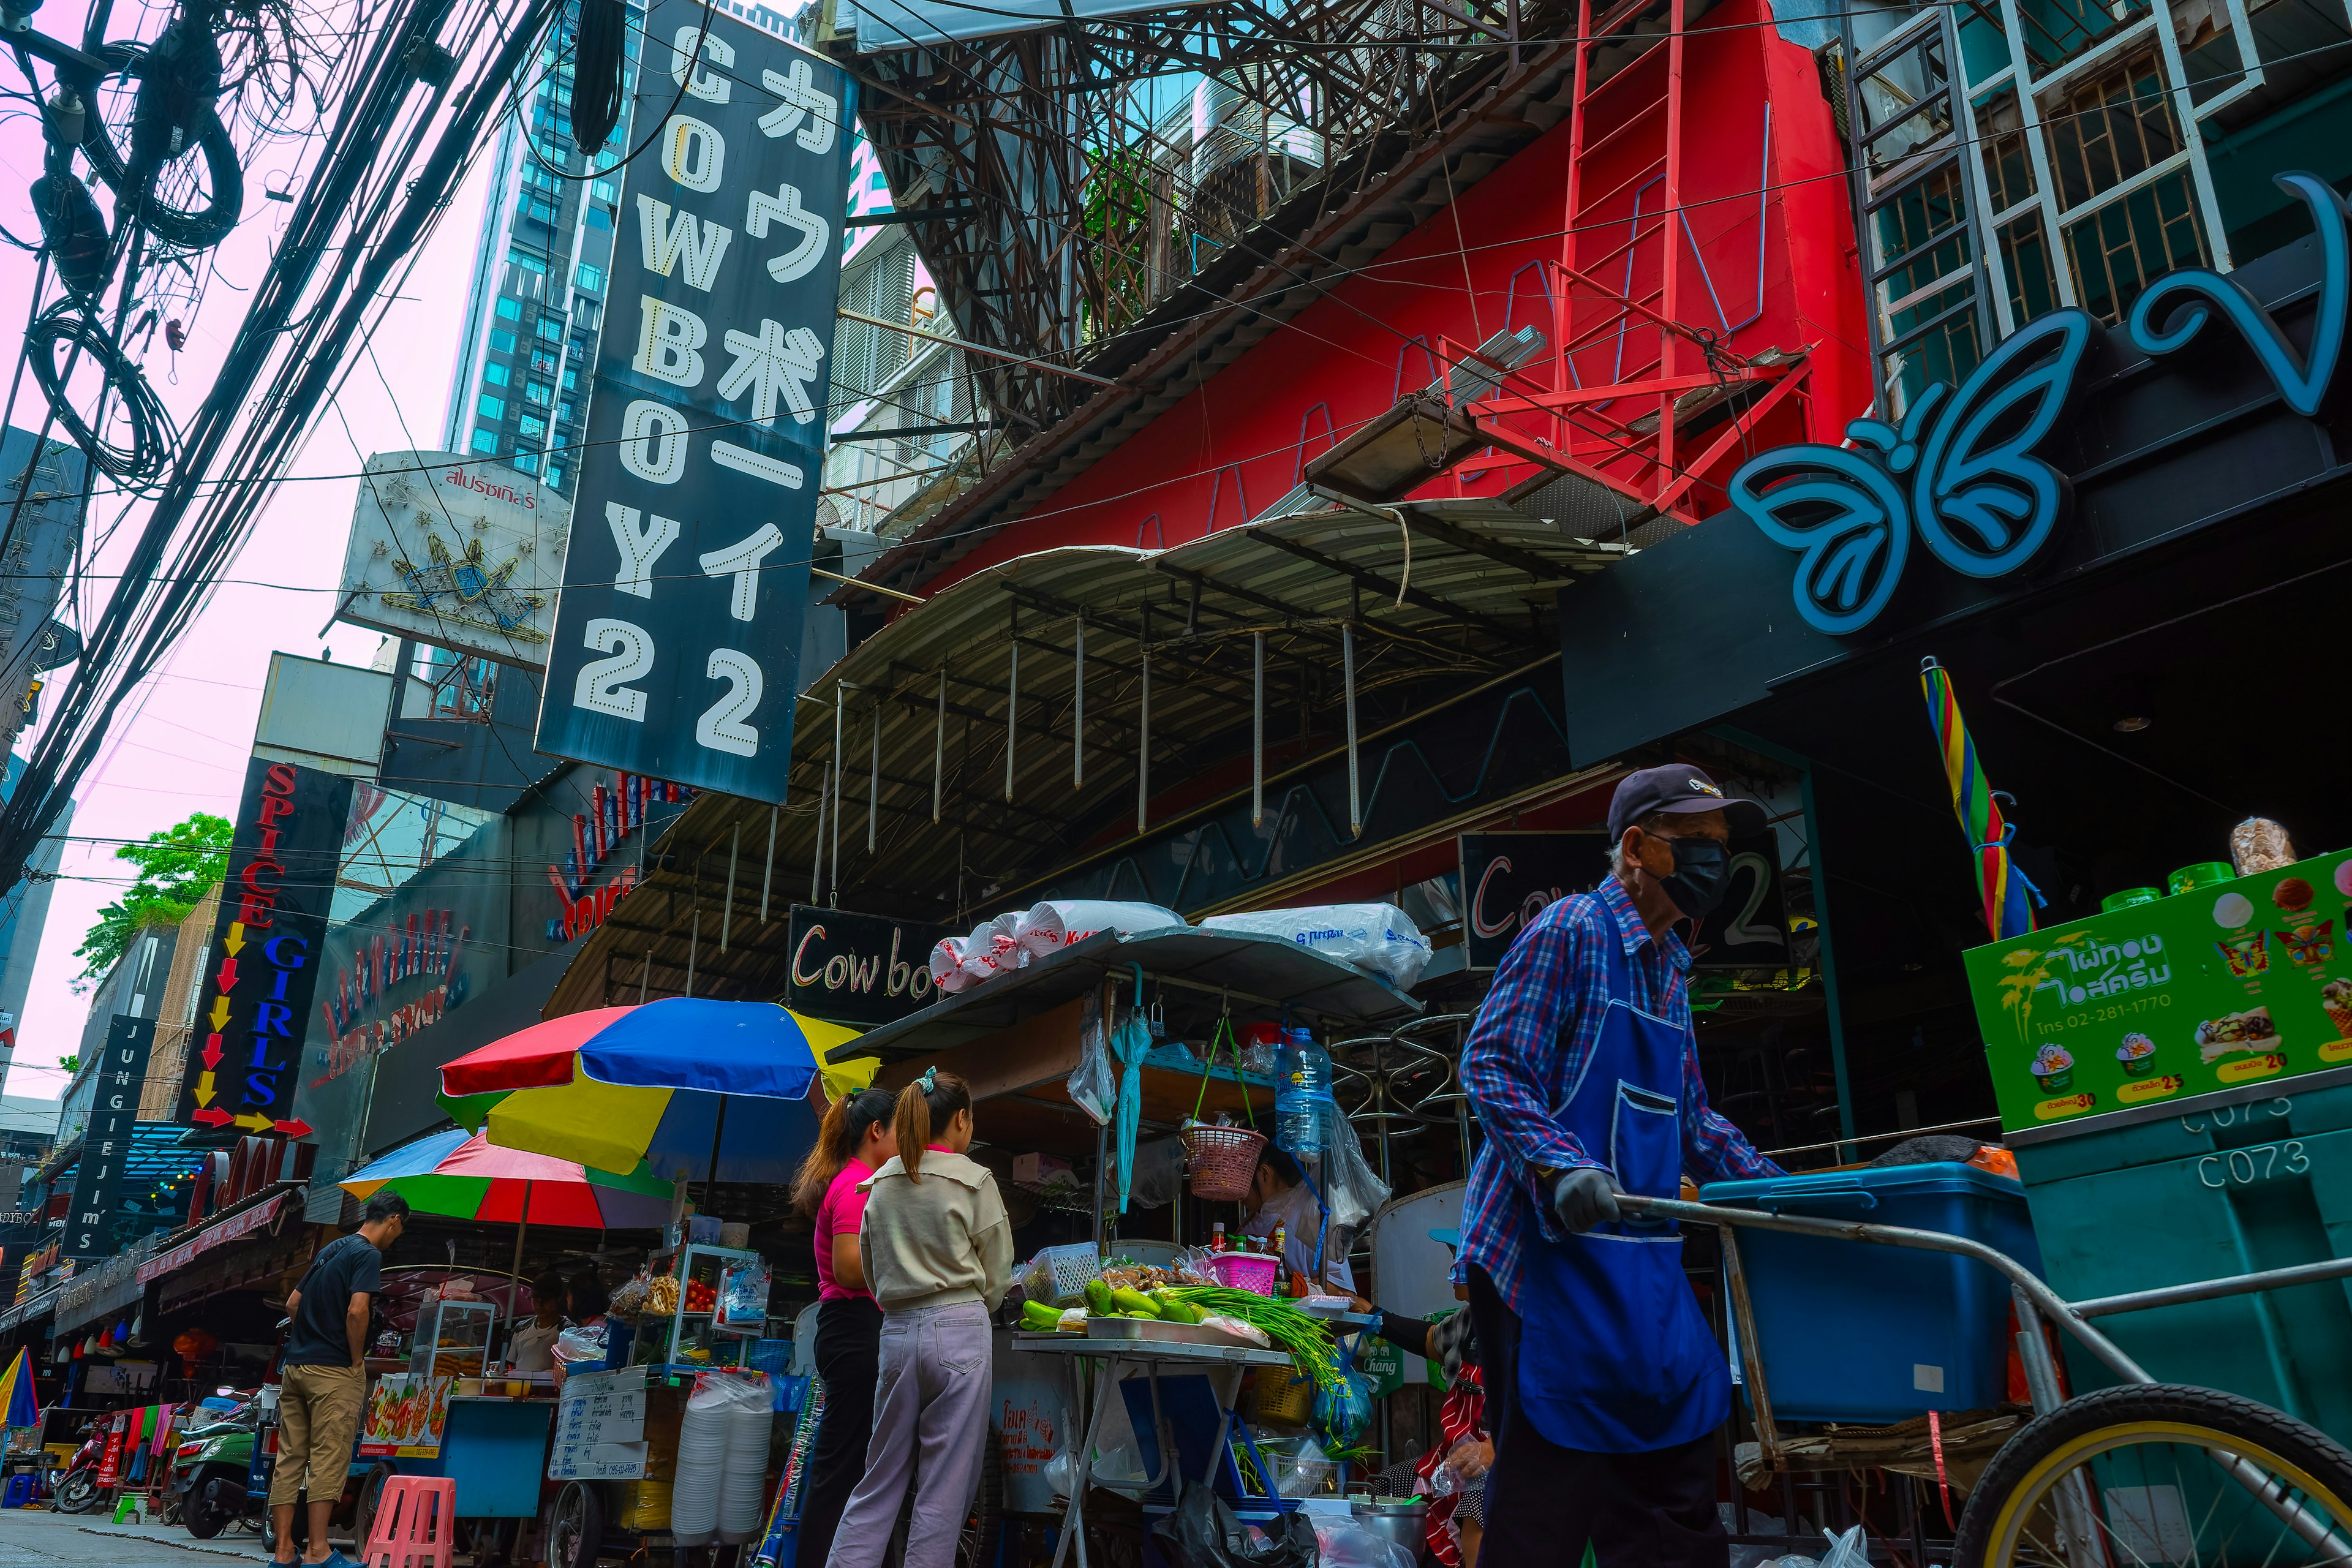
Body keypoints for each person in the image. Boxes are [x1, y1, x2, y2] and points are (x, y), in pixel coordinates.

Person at [1459, 764, 1784, 1567]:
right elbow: (1492, 1063)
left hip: (1638, 1273)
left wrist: (1787, 1194)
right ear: (1637, 847)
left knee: (1673, 1503)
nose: (1716, 860)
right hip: (1548, 1271)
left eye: (1721, 845)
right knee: (1547, 1508)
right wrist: (1561, 1168)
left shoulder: (1670, 966)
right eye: (1696, 843)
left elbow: (1693, 1117)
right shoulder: (1573, 929)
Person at [825, 1069, 1012, 1568]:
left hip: (897, 1331)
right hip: (960, 1331)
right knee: (943, 1487)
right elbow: (997, 1275)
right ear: (962, 1121)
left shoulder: (879, 1185)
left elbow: (869, 1266)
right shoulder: (976, 1181)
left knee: (879, 1479)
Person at [790, 1086, 899, 1567]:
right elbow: (852, 1270)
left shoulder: (859, 1181)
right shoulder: (858, 1187)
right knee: (841, 1467)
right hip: (855, 1328)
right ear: (876, 1131)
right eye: (901, 1132)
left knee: (849, 1463)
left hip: (849, 1329)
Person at [275, 1189, 408, 1567]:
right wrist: (354, 1359)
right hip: (333, 1371)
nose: (394, 1238)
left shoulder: (330, 1250)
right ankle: (318, 1551)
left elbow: (294, 1304)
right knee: (329, 1459)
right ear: (394, 1219)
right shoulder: (368, 1254)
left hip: (296, 1368)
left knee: (290, 1459)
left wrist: (311, 1336)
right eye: (398, 1232)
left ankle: (285, 1552)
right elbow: (358, 1310)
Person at [1353, 1227, 1488, 1567]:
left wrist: (1489, 1450)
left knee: (1476, 1499)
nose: (1452, 1266)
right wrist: (1373, 1316)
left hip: (1506, 1456)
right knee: (1390, 1483)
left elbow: (1533, 1411)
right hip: (1456, 1454)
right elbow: (1427, 1340)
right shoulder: (1466, 1323)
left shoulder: (1521, 1327)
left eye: (1460, 1258)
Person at [1242, 1145, 1353, 1292]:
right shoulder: (1248, 1222)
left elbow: (1344, 1290)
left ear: (1264, 1174)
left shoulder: (1309, 1217)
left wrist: (1289, 1289)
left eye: (1243, 1178)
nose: (1239, 1189)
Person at [505, 1271, 567, 1376]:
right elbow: (510, 1364)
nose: (540, 1305)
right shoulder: (521, 1328)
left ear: (559, 1298)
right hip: (519, 1389)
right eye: (536, 1300)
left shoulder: (567, 1331)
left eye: (546, 1300)